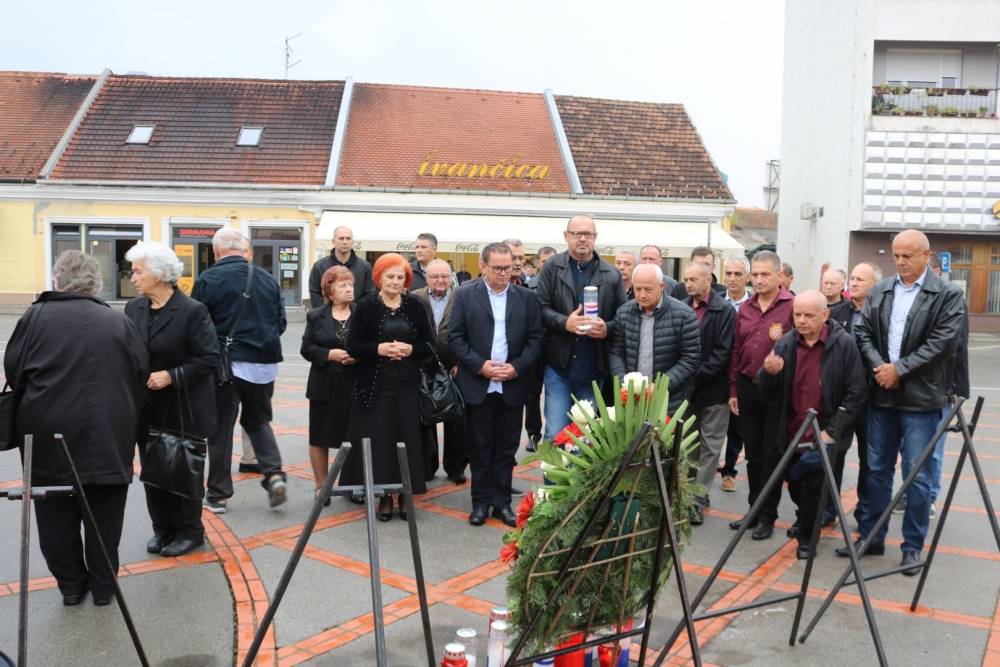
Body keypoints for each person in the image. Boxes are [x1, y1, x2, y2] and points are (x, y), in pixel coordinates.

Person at [4, 250, 148, 606]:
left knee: (54, 515)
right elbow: (140, 370)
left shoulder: (35, 317)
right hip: (110, 433)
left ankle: (71, 587)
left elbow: (14, 369)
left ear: (57, 280)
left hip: (47, 434)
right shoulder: (116, 321)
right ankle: (103, 589)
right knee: (105, 518)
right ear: (96, 284)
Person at [847, 230, 964, 575]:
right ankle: (872, 536)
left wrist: (899, 370)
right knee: (876, 470)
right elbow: (863, 332)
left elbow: (943, 343)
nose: (900, 262)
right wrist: (880, 368)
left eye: (907, 256)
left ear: (926, 256)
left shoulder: (947, 295)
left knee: (917, 476)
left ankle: (913, 546)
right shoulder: (882, 290)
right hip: (881, 395)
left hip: (922, 399)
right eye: (896, 255)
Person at [124, 242, 219, 557]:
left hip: (183, 406)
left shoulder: (192, 310)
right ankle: (162, 528)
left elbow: (209, 358)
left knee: (182, 470)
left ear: (159, 274)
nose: (133, 277)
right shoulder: (134, 309)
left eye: (138, 271)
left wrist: (172, 375)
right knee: (153, 471)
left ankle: (190, 531)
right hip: (147, 406)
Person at [757, 291, 866, 559]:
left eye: (809, 315)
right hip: (790, 433)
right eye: (798, 315)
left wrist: (832, 432)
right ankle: (804, 520)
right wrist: (768, 373)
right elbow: (765, 390)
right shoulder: (786, 342)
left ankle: (808, 539)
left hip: (823, 434)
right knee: (795, 484)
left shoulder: (843, 344)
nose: (802, 321)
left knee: (815, 489)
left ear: (825, 315)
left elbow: (856, 393)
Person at [193, 228, 288, 514]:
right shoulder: (267, 278)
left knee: (220, 430)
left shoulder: (208, 279)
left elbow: (197, 326)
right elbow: (280, 323)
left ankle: (218, 495)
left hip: (226, 365)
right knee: (258, 421)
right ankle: (273, 474)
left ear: (215, 251)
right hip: (264, 365)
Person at [448, 242, 543, 527]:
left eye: (508, 268)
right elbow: (455, 337)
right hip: (478, 383)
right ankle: (480, 502)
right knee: (479, 447)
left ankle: (502, 502)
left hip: (512, 385)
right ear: (483, 266)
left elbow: (536, 339)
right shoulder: (465, 295)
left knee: (506, 447)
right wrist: (480, 366)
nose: (504, 273)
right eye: (498, 268)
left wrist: (516, 368)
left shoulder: (526, 298)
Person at [343, 253, 436, 521]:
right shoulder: (366, 306)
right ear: (379, 278)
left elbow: (429, 345)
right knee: (381, 441)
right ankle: (384, 496)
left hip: (407, 385)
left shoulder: (416, 305)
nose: (395, 281)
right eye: (390, 276)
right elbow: (352, 345)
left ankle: (406, 494)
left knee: (408, 439)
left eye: (400, 277)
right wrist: (379, 349)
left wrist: (410, 349)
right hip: (375, 386)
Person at [537, 215, 626, 440]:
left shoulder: (611, 274)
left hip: (593, 369)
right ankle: (553, 466)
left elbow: (624, 317)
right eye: (577, 233)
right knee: (555, 432)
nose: (583, 238)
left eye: (588, 234)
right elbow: (540, 308)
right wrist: (564, 322)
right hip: (559, 367)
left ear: (595, 237)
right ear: (566, 236)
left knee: (585, 436)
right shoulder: (551, 268)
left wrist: (607, 328)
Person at [727, 250, 795, 540]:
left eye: (765, 274)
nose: (759, 280)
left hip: (776, 391)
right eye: (754, 274)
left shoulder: (791, 306)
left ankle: (768, 515)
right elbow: (736, 350)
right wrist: (733, 389)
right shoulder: (746, 307)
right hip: (746, 387)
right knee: (753, 454)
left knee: (771, 455)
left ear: (779, 275)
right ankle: (753, 510)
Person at [824, 261, 881, 526]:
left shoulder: (882, 314)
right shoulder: (837, 312)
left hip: (873, 398)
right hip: (841, 398)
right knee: (833, 455)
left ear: (875, 285)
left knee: (870, 461)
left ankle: (865, 515)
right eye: (853, 278)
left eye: (861, 279)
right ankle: (828, 510)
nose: (854, 283)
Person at [683, 261, 735, 525]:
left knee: (710, 448)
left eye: (693, 279)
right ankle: (690, 494)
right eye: (686, 279)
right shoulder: (682, 306)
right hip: (687, 391)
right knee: (690, 446)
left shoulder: (724, 310)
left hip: (714, 391)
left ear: (708, 280)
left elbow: (722, 354)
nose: (688, 284)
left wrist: (693, 377)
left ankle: (697, 500)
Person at [300, 265, 357, 504]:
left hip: (355, 384)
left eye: (350, 284)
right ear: (329, 291)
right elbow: (306, 348)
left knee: (354, 436)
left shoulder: (361, 313)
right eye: (343, 285)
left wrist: (358, 356)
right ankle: (321, 487)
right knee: (320, 436)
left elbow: (371, 344)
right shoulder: (316, 316)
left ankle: (353, 484)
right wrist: (328, 354)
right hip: (324, 384)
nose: (349, 289)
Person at [609, 264, 700, 412]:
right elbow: (616, 353)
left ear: (662, 286)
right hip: (631, 399)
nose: (642, 295)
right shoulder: (624, 312)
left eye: (648, 289)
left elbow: (690, 359)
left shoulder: (684, 315)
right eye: (638, 289)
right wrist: (624, 382)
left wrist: (660, 386)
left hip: (669, 400)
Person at [411, 258, 468, 485]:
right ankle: (428, 466)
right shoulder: (414, 298)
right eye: (435, 276)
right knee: (425, 416)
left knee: (456, 417)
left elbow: (471, 330)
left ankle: (456, 467)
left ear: (451, 276)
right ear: (427, 278)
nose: (440, 280)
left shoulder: (462, 296)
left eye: (444, 276)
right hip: (423, 365)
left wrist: (461, 362)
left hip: (455, 364)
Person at [923, 252, 970, 515]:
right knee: (913, 449)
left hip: (942, 388)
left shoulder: (952, 297)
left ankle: (929, 496)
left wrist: (956, 389)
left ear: (937, 271)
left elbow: (957, 346)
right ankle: (913, 493)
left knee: (934, 448)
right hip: (914, 387)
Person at [719, 256, 751, 492]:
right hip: (716, 373)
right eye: (728, 273)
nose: (732, 278)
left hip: (740, 375)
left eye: (737, 274)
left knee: (736, 428)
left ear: (746, 277)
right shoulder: (717, 301)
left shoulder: (754, 306)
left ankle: (729, 470)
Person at [524, 245, 557, 449]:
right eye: (544, 261)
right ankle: (533, 434)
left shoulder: (560, 283)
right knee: (532, 394)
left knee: (554, 393)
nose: (548, 265)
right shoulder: (530, 285)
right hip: (535, 346)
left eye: (552, 261)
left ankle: (553, 433)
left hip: (555, 346)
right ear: (538, 263)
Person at [308, 225, 374, 308]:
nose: (345, 242)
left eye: (348, 238)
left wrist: (356, 311)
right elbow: (315, 293)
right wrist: (325, 312)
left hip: (357, 314)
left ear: (352, 242)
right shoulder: (320, 266)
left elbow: (369, 293)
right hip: (326, 314)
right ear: (333, 241)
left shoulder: (365, 267)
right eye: (341, 238)